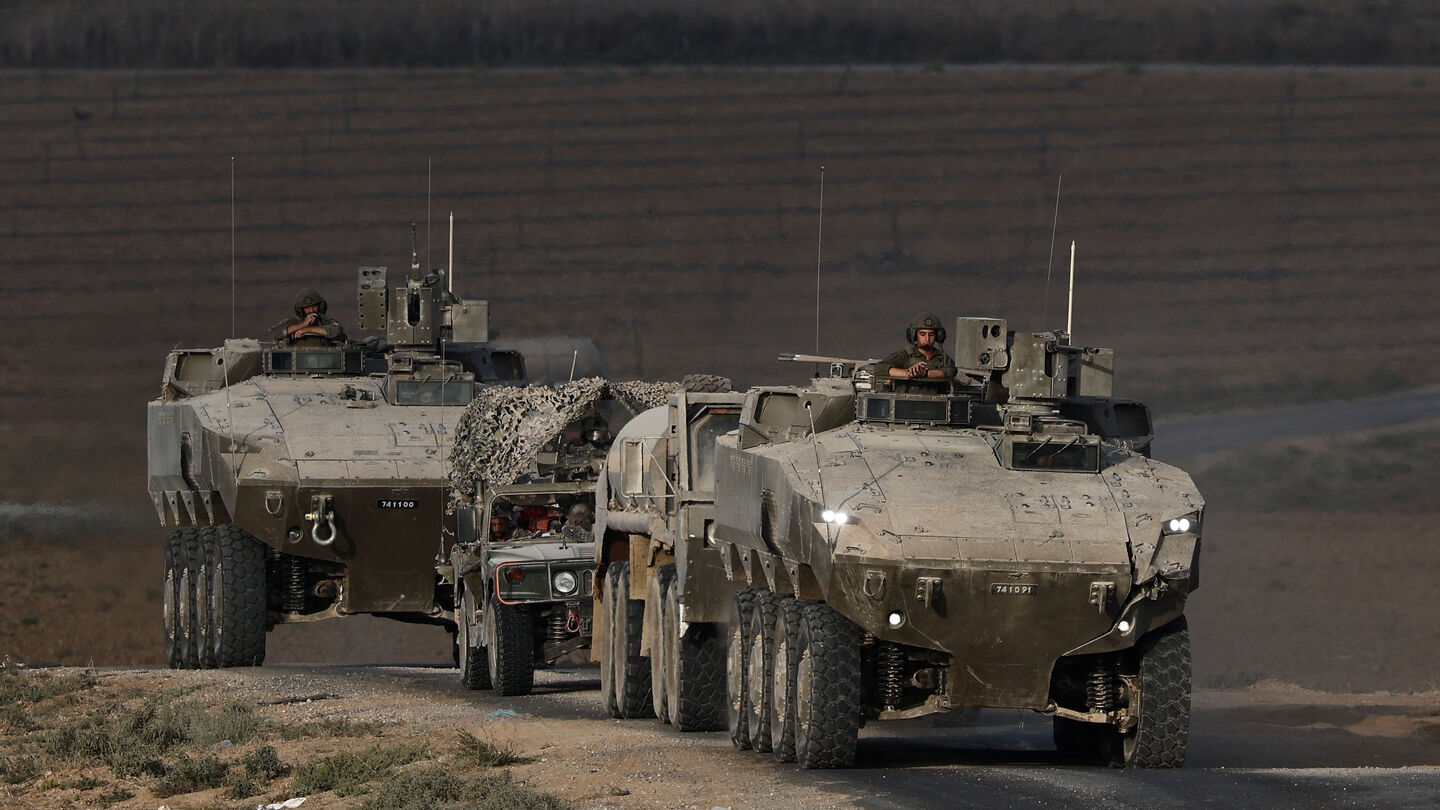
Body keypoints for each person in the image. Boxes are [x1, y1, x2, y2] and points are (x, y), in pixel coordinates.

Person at [884, 312, 956, 381]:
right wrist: (908, 373)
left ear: (938, 336)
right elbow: (880, 368)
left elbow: (951, 371)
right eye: (922, 334)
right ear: (914, 335)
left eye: (931, 334)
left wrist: (925, 373)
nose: (927, 339)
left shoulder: (943, 358)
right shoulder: (905, 355)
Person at [270, 288, 346, 347]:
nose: (311, 310)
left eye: (314, 306)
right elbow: (274, 333)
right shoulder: (293, 323)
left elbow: (337, 330)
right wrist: (302, 325)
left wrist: (307, 330)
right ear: (301, 310)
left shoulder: (326, 322)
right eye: (307, 308)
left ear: (320, 306)